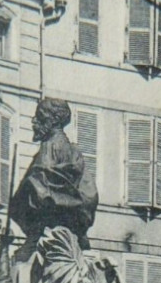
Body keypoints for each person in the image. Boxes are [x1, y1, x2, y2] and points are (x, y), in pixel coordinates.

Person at [8, 97, 99, 254]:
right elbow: (89, 196)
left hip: (45, 234)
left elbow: (37, 190)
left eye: (40, 117)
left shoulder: (49, 147)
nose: (34, 121)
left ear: (54, 120)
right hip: (70, 235)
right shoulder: (74, 151)